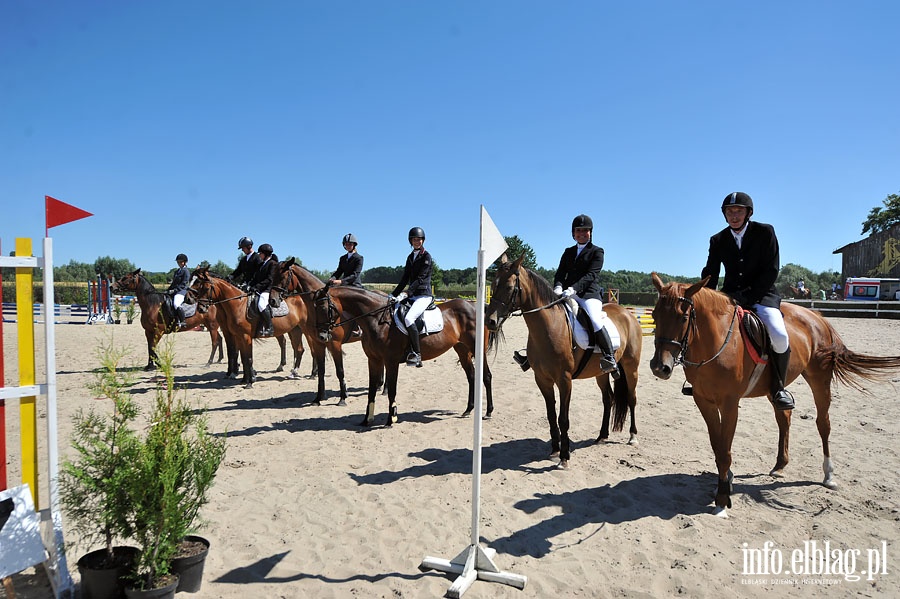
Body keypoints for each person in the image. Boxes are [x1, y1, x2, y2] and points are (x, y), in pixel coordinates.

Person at [700, 191, 794, 410]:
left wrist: (749, 297)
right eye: (730, 211)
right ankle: (698, 376)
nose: (734, 215)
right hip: (730, 297)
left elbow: (771, 270)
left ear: (748, 213)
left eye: (738, 211)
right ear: (724, 215)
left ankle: (779, 387)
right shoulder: (718, 239)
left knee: (778, 334)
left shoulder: (765, 232)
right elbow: (711, 273)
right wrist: (705, 297)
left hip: (762, 295)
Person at [552, 214, 618, 377]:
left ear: (590, 232)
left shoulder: (597, 251)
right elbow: (560, 273)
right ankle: (533, 355)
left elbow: (591, 275)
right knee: (549, 315)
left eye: (585, 230)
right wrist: (558, 287)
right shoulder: (568, 252)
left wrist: (573, 288)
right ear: (573, 233)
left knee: (595, 320)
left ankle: (609, 357)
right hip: (567, 294)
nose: (582, 233)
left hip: (589, 295)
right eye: (578, 230)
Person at [391, 227, 433, 367]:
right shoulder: (410, 257)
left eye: (419, 239)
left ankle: (417, 353)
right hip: (413, 295)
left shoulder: (426, 256)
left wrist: (407, 293)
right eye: (414, 239)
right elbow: (404, 279)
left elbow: (421, 278)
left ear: (423, 240)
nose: (417, 241)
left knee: (409, 318)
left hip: (423, 295)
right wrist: (393, 294)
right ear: (411, 241)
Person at [248, 243, 277, 337]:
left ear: (265, 254)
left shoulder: (272, 264)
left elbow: (269, 279)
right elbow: (256, 278)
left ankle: (270, 327)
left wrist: (257, 287)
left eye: (260, 253)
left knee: (261, 305)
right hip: (259, 289)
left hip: (267, 289)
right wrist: (248, 285)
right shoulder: (262, 264)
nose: (259, 255)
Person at [168, 253, 190, 328]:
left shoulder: (186, 271)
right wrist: (168, 290)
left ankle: (182, 321)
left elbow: (184, 283)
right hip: (175, 290)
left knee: (176, 304)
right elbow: (174, 283)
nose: (179, 263)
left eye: (181, 262)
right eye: (178, 262)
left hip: (182, 291)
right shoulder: (177, 271)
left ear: (184, 262)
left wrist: (175, 290)